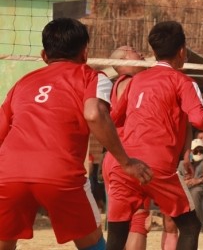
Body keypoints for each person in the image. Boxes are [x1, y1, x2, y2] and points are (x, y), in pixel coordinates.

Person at [0, 18, 152, 249]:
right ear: (85, 52)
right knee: (92, 244)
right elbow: (94, 114)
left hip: (8, 173)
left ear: (43, 55)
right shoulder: (91, 77)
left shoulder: (23, 83)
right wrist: (126, 162)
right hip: (58, 173)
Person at [106, 21, 203, 250]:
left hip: (124, 164)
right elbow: (198, 119)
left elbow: (114, 117)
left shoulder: (136, 80)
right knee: (189, 226)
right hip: (156, 165)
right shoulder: (183, 81)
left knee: (118, 231)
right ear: (182, 51)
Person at [104, 45, 152, 250]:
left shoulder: (118, 84)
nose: (140, 53)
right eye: (133, 50)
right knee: (132, 223)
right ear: (124, 60)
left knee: (132, 220)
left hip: (120, 158)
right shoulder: (132, 82)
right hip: (128, 159)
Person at [181, 138, 203, 232]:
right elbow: (177, 176)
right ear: (192, 151)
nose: (199, 153)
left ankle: (198, 224)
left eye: (201, 150)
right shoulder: (183, 163)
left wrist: (200, 180)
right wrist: (184, 182)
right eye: (196, 151)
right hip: (184, 187)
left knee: (195, 193)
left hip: (200, 187)